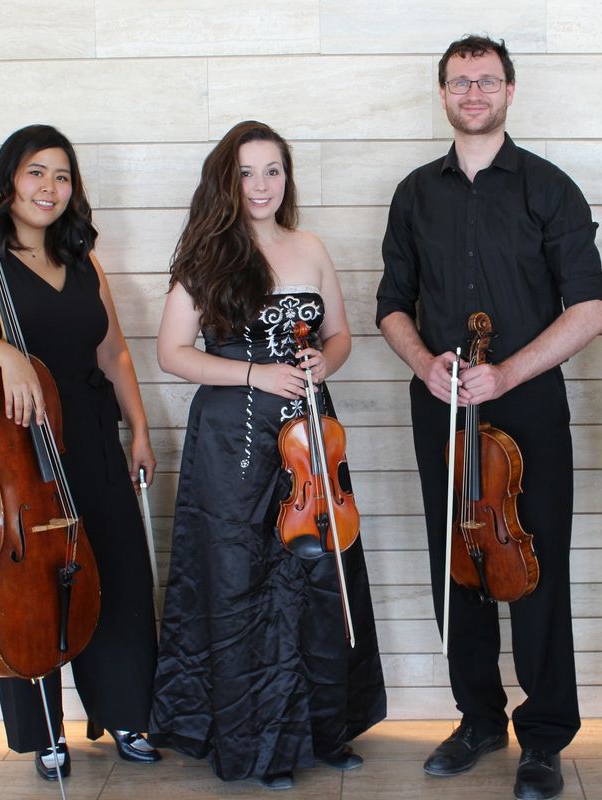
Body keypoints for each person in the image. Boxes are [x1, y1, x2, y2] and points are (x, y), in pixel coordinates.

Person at [377, 35, 602, 800]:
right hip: (441, 407)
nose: (472, 92)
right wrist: (425, 364)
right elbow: (391, 305)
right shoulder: (414, 194)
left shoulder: (550, 189)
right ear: (441, 94)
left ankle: (544, 737)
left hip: (529, 403)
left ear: (510, 90)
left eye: (486, 80)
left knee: (535, 568)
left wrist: (507, 369)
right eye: (458, 82)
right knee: (461, 570)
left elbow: (589, 306)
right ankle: (479, 718)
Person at [148, 120, 386, 790]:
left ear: (288, 177)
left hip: (311, 442)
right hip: (234, 445)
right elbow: (172, 354)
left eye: (273, 170)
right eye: (248, 172)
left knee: (317, 580)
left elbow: (340, 337)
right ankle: (258, 746)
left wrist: (321, 359)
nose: (261, 185)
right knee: (242, 584)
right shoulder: (207, 256)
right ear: (228, 179)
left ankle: (324, 731)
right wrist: (255, 373)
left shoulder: (309, 246)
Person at [0, 124, 161, 780]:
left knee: (115, 571)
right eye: (36, 173)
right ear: (10, 179)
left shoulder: (82, 260)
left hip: (89, 427)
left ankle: (127, 715)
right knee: (33, 579)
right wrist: (8, 356)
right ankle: (47, 731)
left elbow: (112, 350)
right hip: (19, 440)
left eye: (62, 176)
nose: (49, 188)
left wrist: (138, 430)